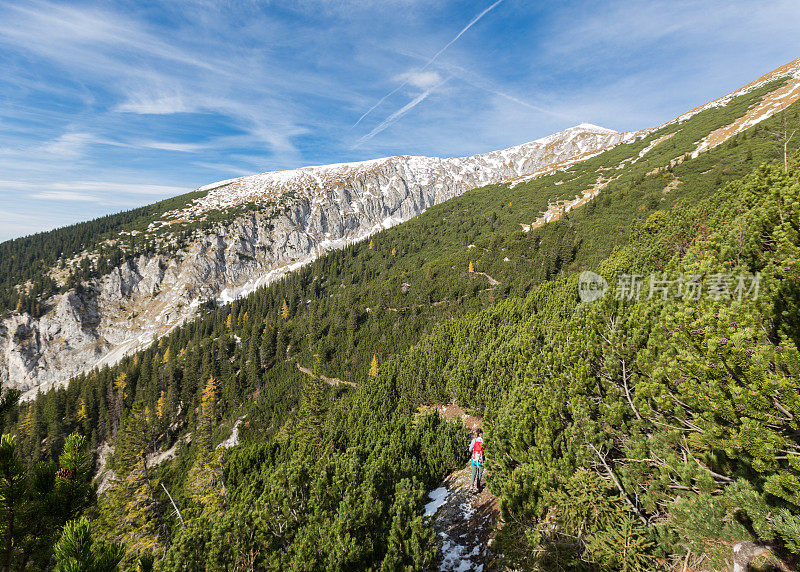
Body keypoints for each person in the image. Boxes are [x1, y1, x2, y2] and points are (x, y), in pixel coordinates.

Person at [468, 428, 484, 492]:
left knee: (473, 472)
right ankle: (478, 486)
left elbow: (470, 449)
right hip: (481, 459)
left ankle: (471, 485)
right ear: (480, 433)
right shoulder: (483, 441)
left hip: (474, 458)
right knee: (480, 472)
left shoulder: (474, 440)